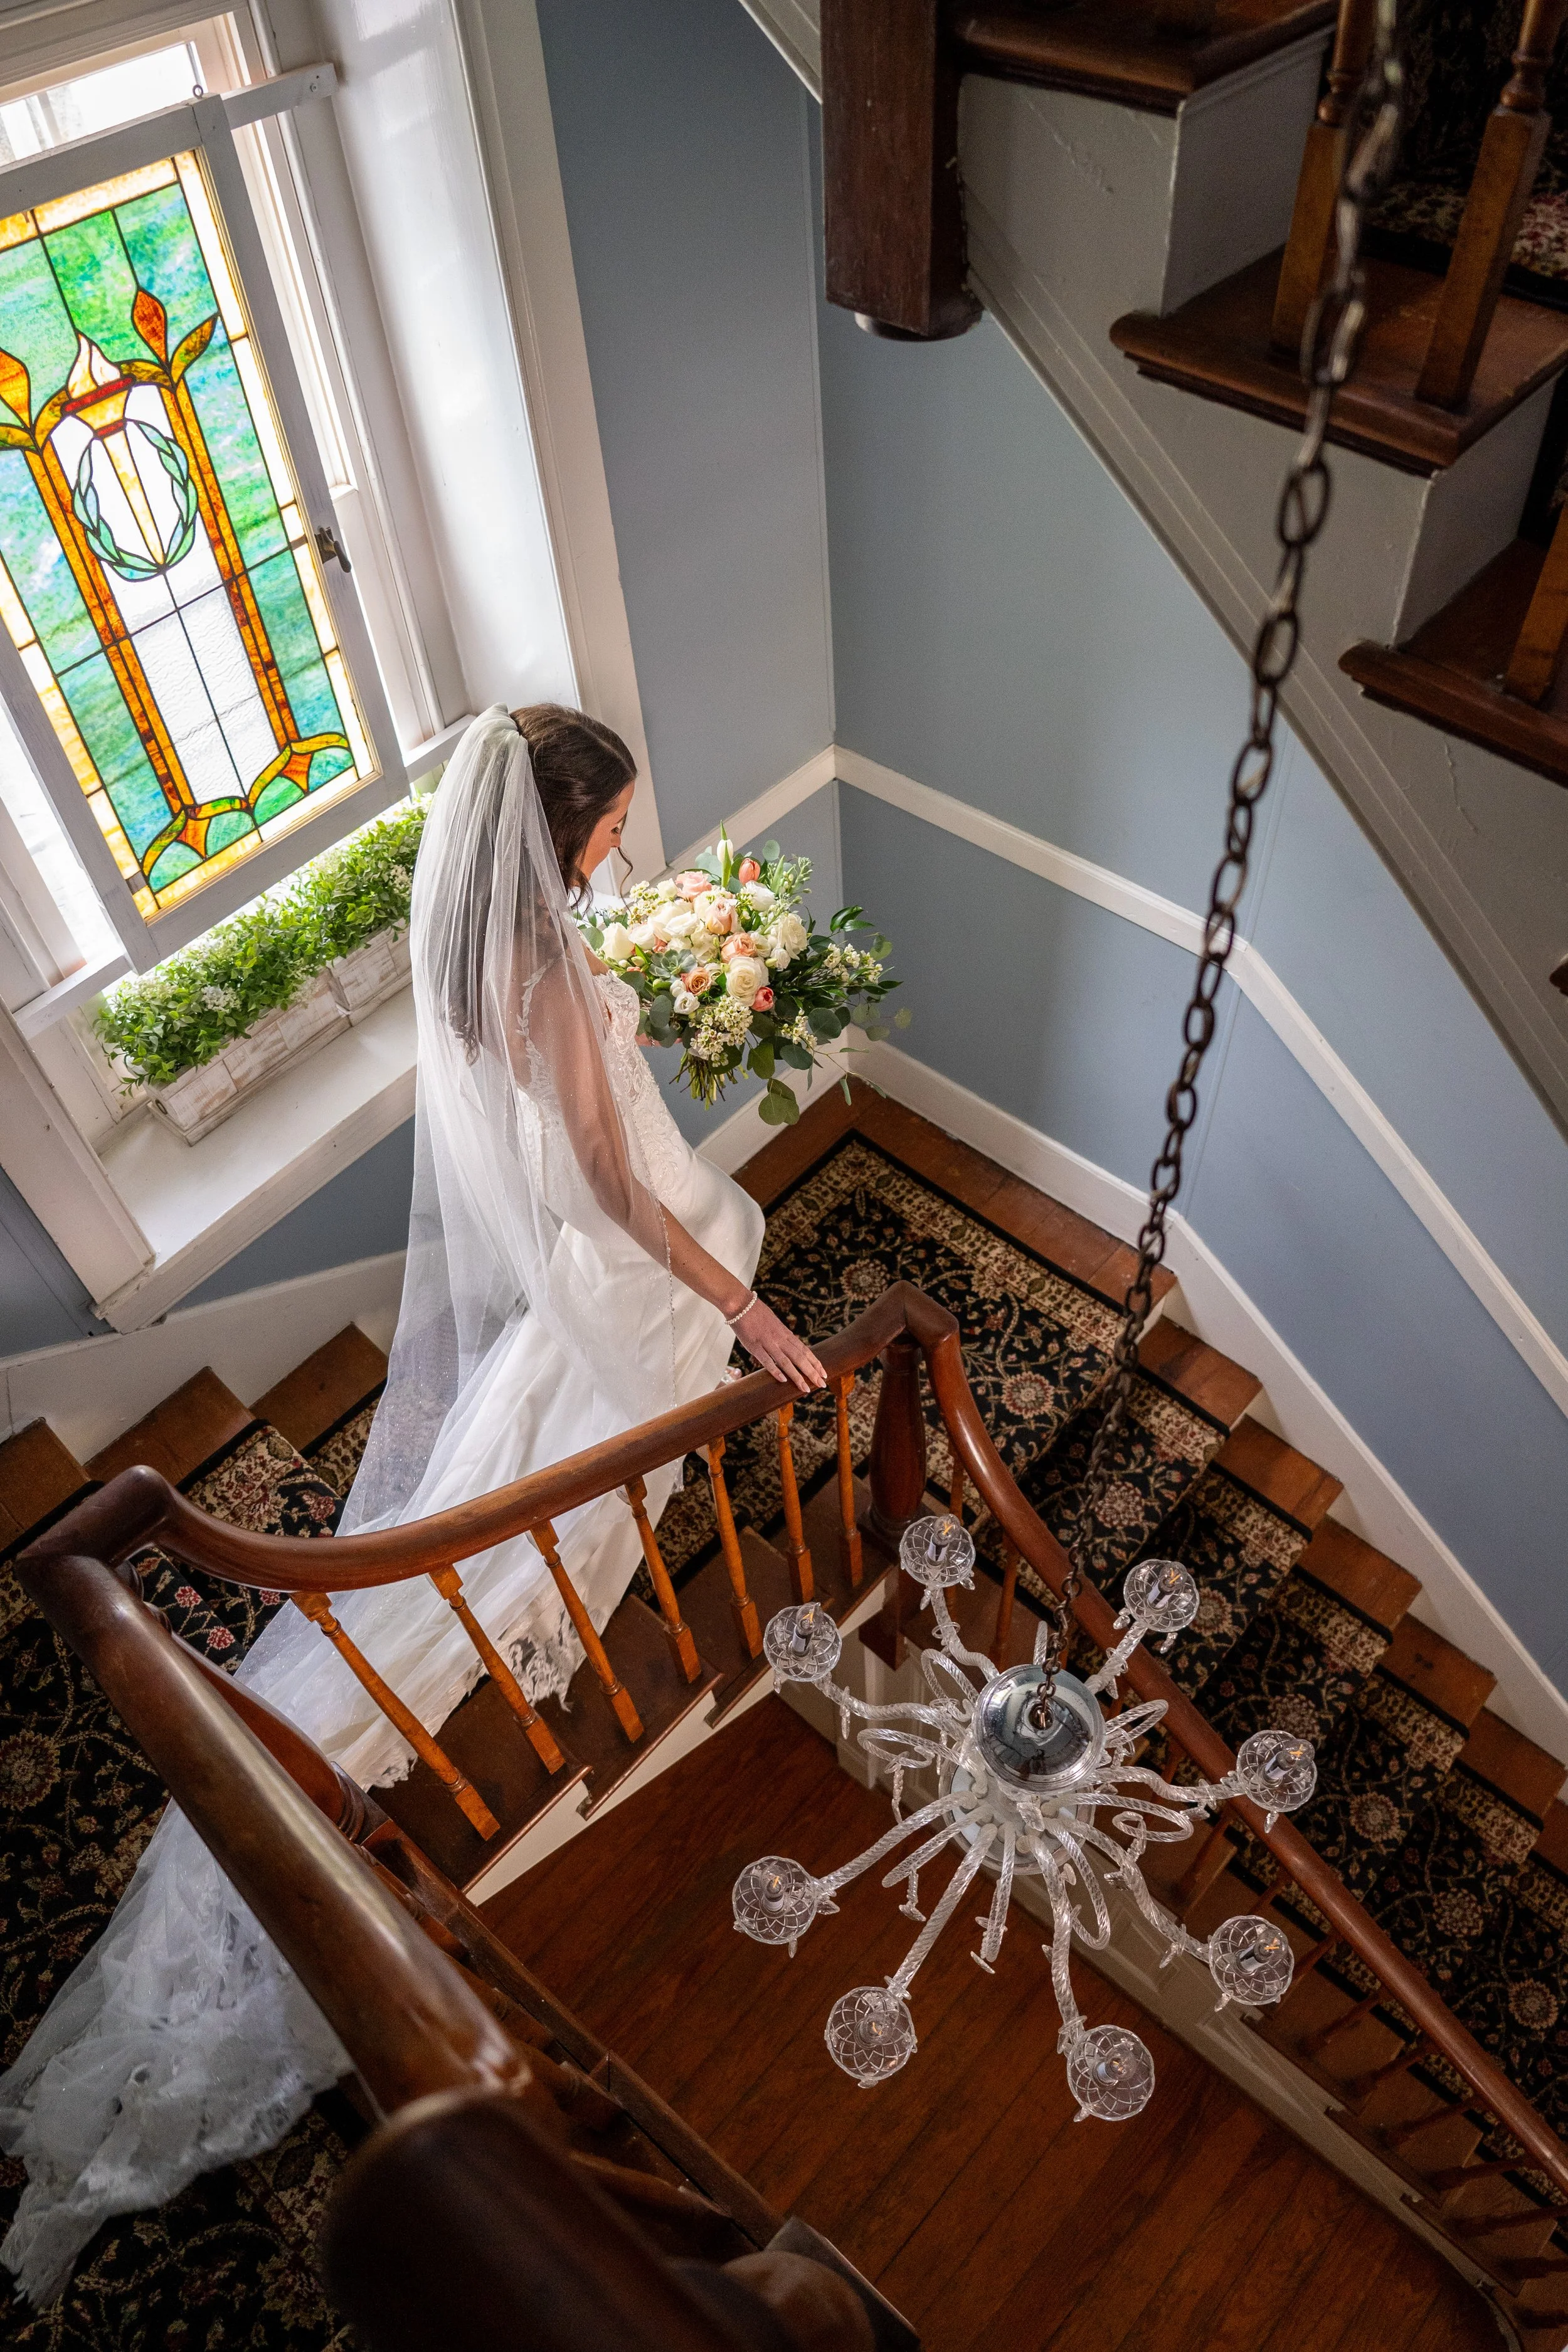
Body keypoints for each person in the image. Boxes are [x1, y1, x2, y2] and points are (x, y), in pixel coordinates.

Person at [0, 705, 825, 2303]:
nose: (619, 854)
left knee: (523, 1444)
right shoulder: (552, 985)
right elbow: (609, 1184)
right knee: (565, 1467)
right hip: (626, 1261)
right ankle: (362, 1750)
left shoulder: (490, 958)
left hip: (587, 1249)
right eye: (607, 832)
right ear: (555, 834)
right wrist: (751, 1315)